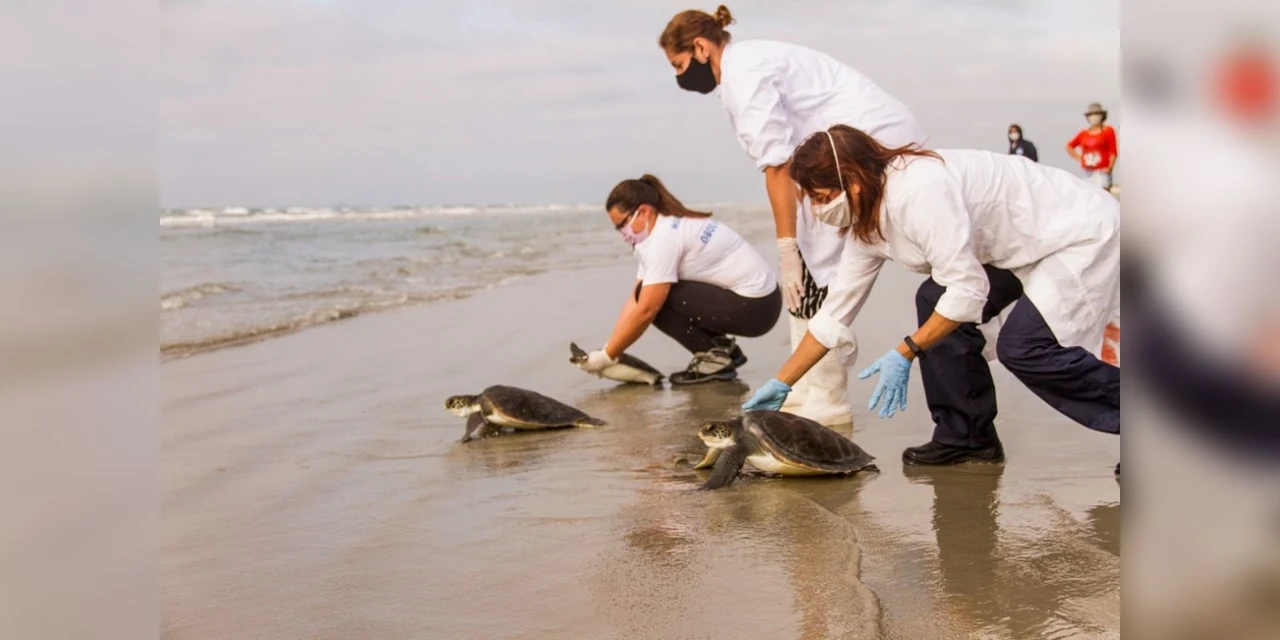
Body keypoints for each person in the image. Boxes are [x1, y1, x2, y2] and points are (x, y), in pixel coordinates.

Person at [742, 125, 1121, 469]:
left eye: (821, 196)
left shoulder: (920, 192)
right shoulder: (867, 224)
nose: (817, 209)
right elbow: (833, 315)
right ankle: (968, 437)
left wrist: (906, 351)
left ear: (853, 182)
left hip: (1076, 233)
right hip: (1020, 243)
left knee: (1024, 347)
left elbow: (967, 290)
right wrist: (782, 383)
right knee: (932, 298)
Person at [658, 5, 928, 426]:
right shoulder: (746, 65)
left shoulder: (744, 73)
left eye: (678, 65)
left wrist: (786, 248)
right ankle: (803, 389)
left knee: (812, 267)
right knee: (809, 266)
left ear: (700, 47)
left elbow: (778, 165)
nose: (678, 77)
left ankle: (826, 399)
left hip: (868, 146)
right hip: (857, 146)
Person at [576, 175, 782, 385]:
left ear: (644, 211)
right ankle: (721, 350)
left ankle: (714, 359)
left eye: (622, 225)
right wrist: (609, 348)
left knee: (656, 301)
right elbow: (633, 300)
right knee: (648, 294)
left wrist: (606, 358)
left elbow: (645, 310)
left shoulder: (663, 239)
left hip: (756, 309)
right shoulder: (670, 225)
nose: (622, 234)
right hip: (765, 301)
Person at [1066, 102, 1118, 190]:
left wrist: (1110, 167)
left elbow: (1113, 151)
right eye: (1091, 115)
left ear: (1102, 116)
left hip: (1102, 171)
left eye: (1096, 114)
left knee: (1103, 196)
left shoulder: (1108, 131)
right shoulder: (1083, 134)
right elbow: (1069, 146)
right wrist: (1080, 158)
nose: (1094, 117)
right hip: (1086, 171)